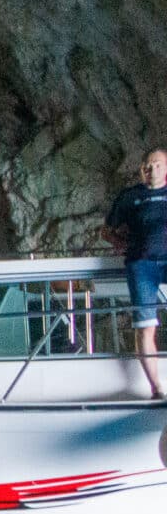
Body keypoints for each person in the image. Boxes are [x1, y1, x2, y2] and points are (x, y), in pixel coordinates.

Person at [105, 148, 167, 399]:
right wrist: (118, 242)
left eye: (158, 165)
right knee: (145, 325)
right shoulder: (130, 197)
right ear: (142, 169)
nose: (153, 170)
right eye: (148, 166)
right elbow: (106, 230)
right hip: (141, 263)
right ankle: (157, 388)